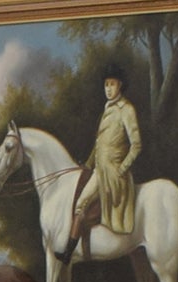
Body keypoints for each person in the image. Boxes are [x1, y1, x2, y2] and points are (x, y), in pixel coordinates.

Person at [56, 63, 142, 265]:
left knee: (95, 208)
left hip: (115, 174)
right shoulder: (107, 108)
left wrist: (122, 169)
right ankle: (68, 253)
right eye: (106, 85)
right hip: (99, 171)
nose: (109, 89)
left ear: (120, 85)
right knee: (80, 205)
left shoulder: (126, 110)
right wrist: (87, 164)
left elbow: (136, 145)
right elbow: (99, 144)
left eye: (113, 84)